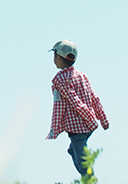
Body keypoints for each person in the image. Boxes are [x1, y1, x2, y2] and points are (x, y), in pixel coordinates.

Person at [46, 39, 109, 176]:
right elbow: (94, 98)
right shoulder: (81, 75)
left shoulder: (60, 79)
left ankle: (90, 183)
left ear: (58, 58)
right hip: (88, 125)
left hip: (77, 126)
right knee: (74, 150)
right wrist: (102, 120)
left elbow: (74, 102)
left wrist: (89, 119)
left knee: (81, 159)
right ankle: (85, 175)